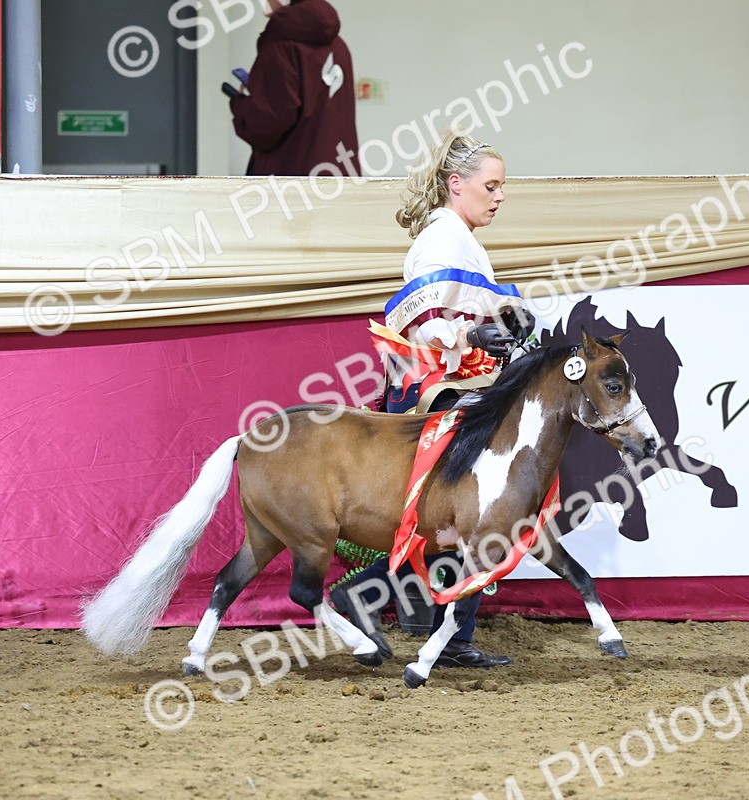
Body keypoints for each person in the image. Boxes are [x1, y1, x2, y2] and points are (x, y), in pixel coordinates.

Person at [331, 128, 533, 669]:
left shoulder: (462, 241)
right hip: (433, 396)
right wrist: (471, 338)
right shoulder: (441, 242)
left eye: (501, 186)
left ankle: (448, 634)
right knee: (457, 520)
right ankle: (398, 611)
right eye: (491, 185)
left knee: (458, 523)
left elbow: (458, 319)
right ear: (455, 184)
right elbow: (419, 326)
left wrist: (504, 323)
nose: (499, 195)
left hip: (454, 392)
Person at [228, 0, 361, 177]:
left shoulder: (279, 47)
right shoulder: (339, 46)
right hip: (341, 177)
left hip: (291, 183)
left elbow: (266, 125)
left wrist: (241, 103)